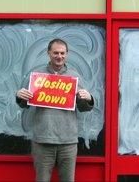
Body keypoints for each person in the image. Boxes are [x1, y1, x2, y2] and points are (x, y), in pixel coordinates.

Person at [16, 38, 94, 182]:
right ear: (48, 53)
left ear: (67, 54)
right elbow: (25, 103)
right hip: (42, 140)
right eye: (56, 53)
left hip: (68, 142)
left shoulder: (74, 76)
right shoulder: (37, 76)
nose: (59, 56)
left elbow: (83, 107)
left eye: (63, 53)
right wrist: (20, 96)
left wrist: (89, 98)